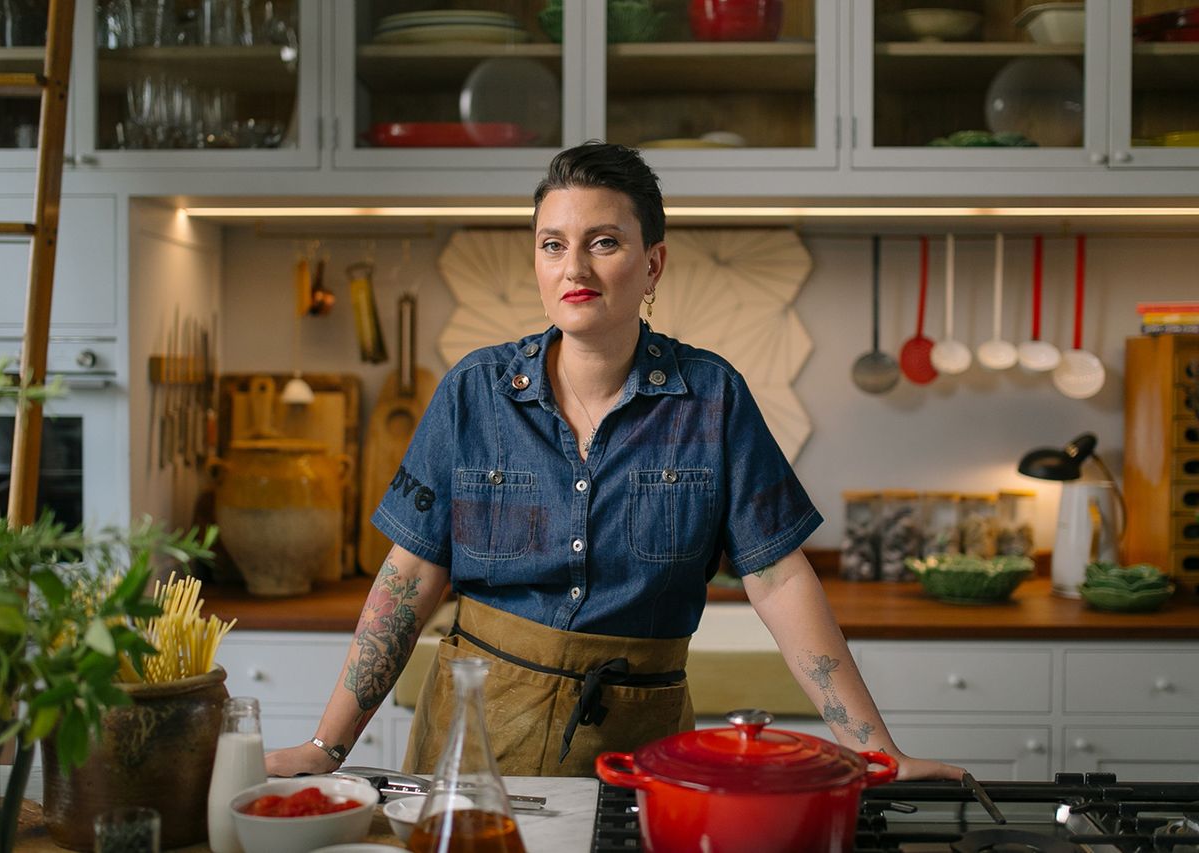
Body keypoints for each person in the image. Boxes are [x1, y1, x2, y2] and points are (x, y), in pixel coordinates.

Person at [266, 141, 962, 781]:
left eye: (603, 242)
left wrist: (876, 753)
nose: (574, 268)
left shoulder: (713, 397)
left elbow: (779, 578)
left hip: (644, 758)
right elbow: (411, 572)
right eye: (552, 244)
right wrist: (326, 747)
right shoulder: (473, 393)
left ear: (652, 262)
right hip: (472, 746)